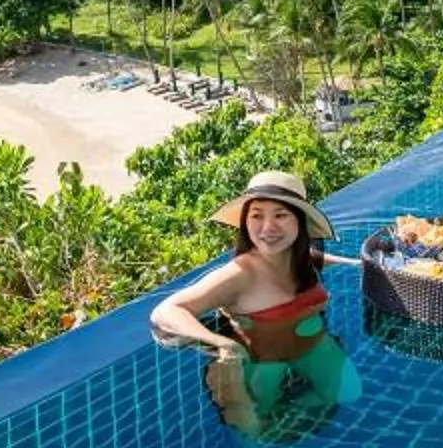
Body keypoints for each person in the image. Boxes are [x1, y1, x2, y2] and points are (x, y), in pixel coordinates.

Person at [150, 169, 361, 433]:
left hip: (310, 345)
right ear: (245, 222)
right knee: (255, 428)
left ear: (299, 222)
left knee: (350, 392)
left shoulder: (297, 258)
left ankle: (294, 406)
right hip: (264, 359)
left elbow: (315, 259)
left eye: (281, 215)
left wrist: (357, 265)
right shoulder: (240, 274)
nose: (268, 228)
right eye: (257, 215)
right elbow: (166, 311)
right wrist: (222, 344)